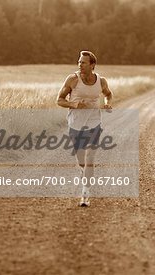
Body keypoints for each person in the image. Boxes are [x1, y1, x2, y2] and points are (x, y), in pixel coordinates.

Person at [57, 50, 113, 207]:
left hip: (94, 123)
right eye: (79, 61)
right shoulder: (72, 80)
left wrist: (107, 103)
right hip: (75, 123)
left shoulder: (100, 81)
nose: (79, 64)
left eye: (83, 62)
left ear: (92, 65)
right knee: (81, 160)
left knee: (90, 159)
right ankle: (84, 175)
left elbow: (108, 94)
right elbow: (59, 100)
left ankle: (85, 194)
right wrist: (74, 104)